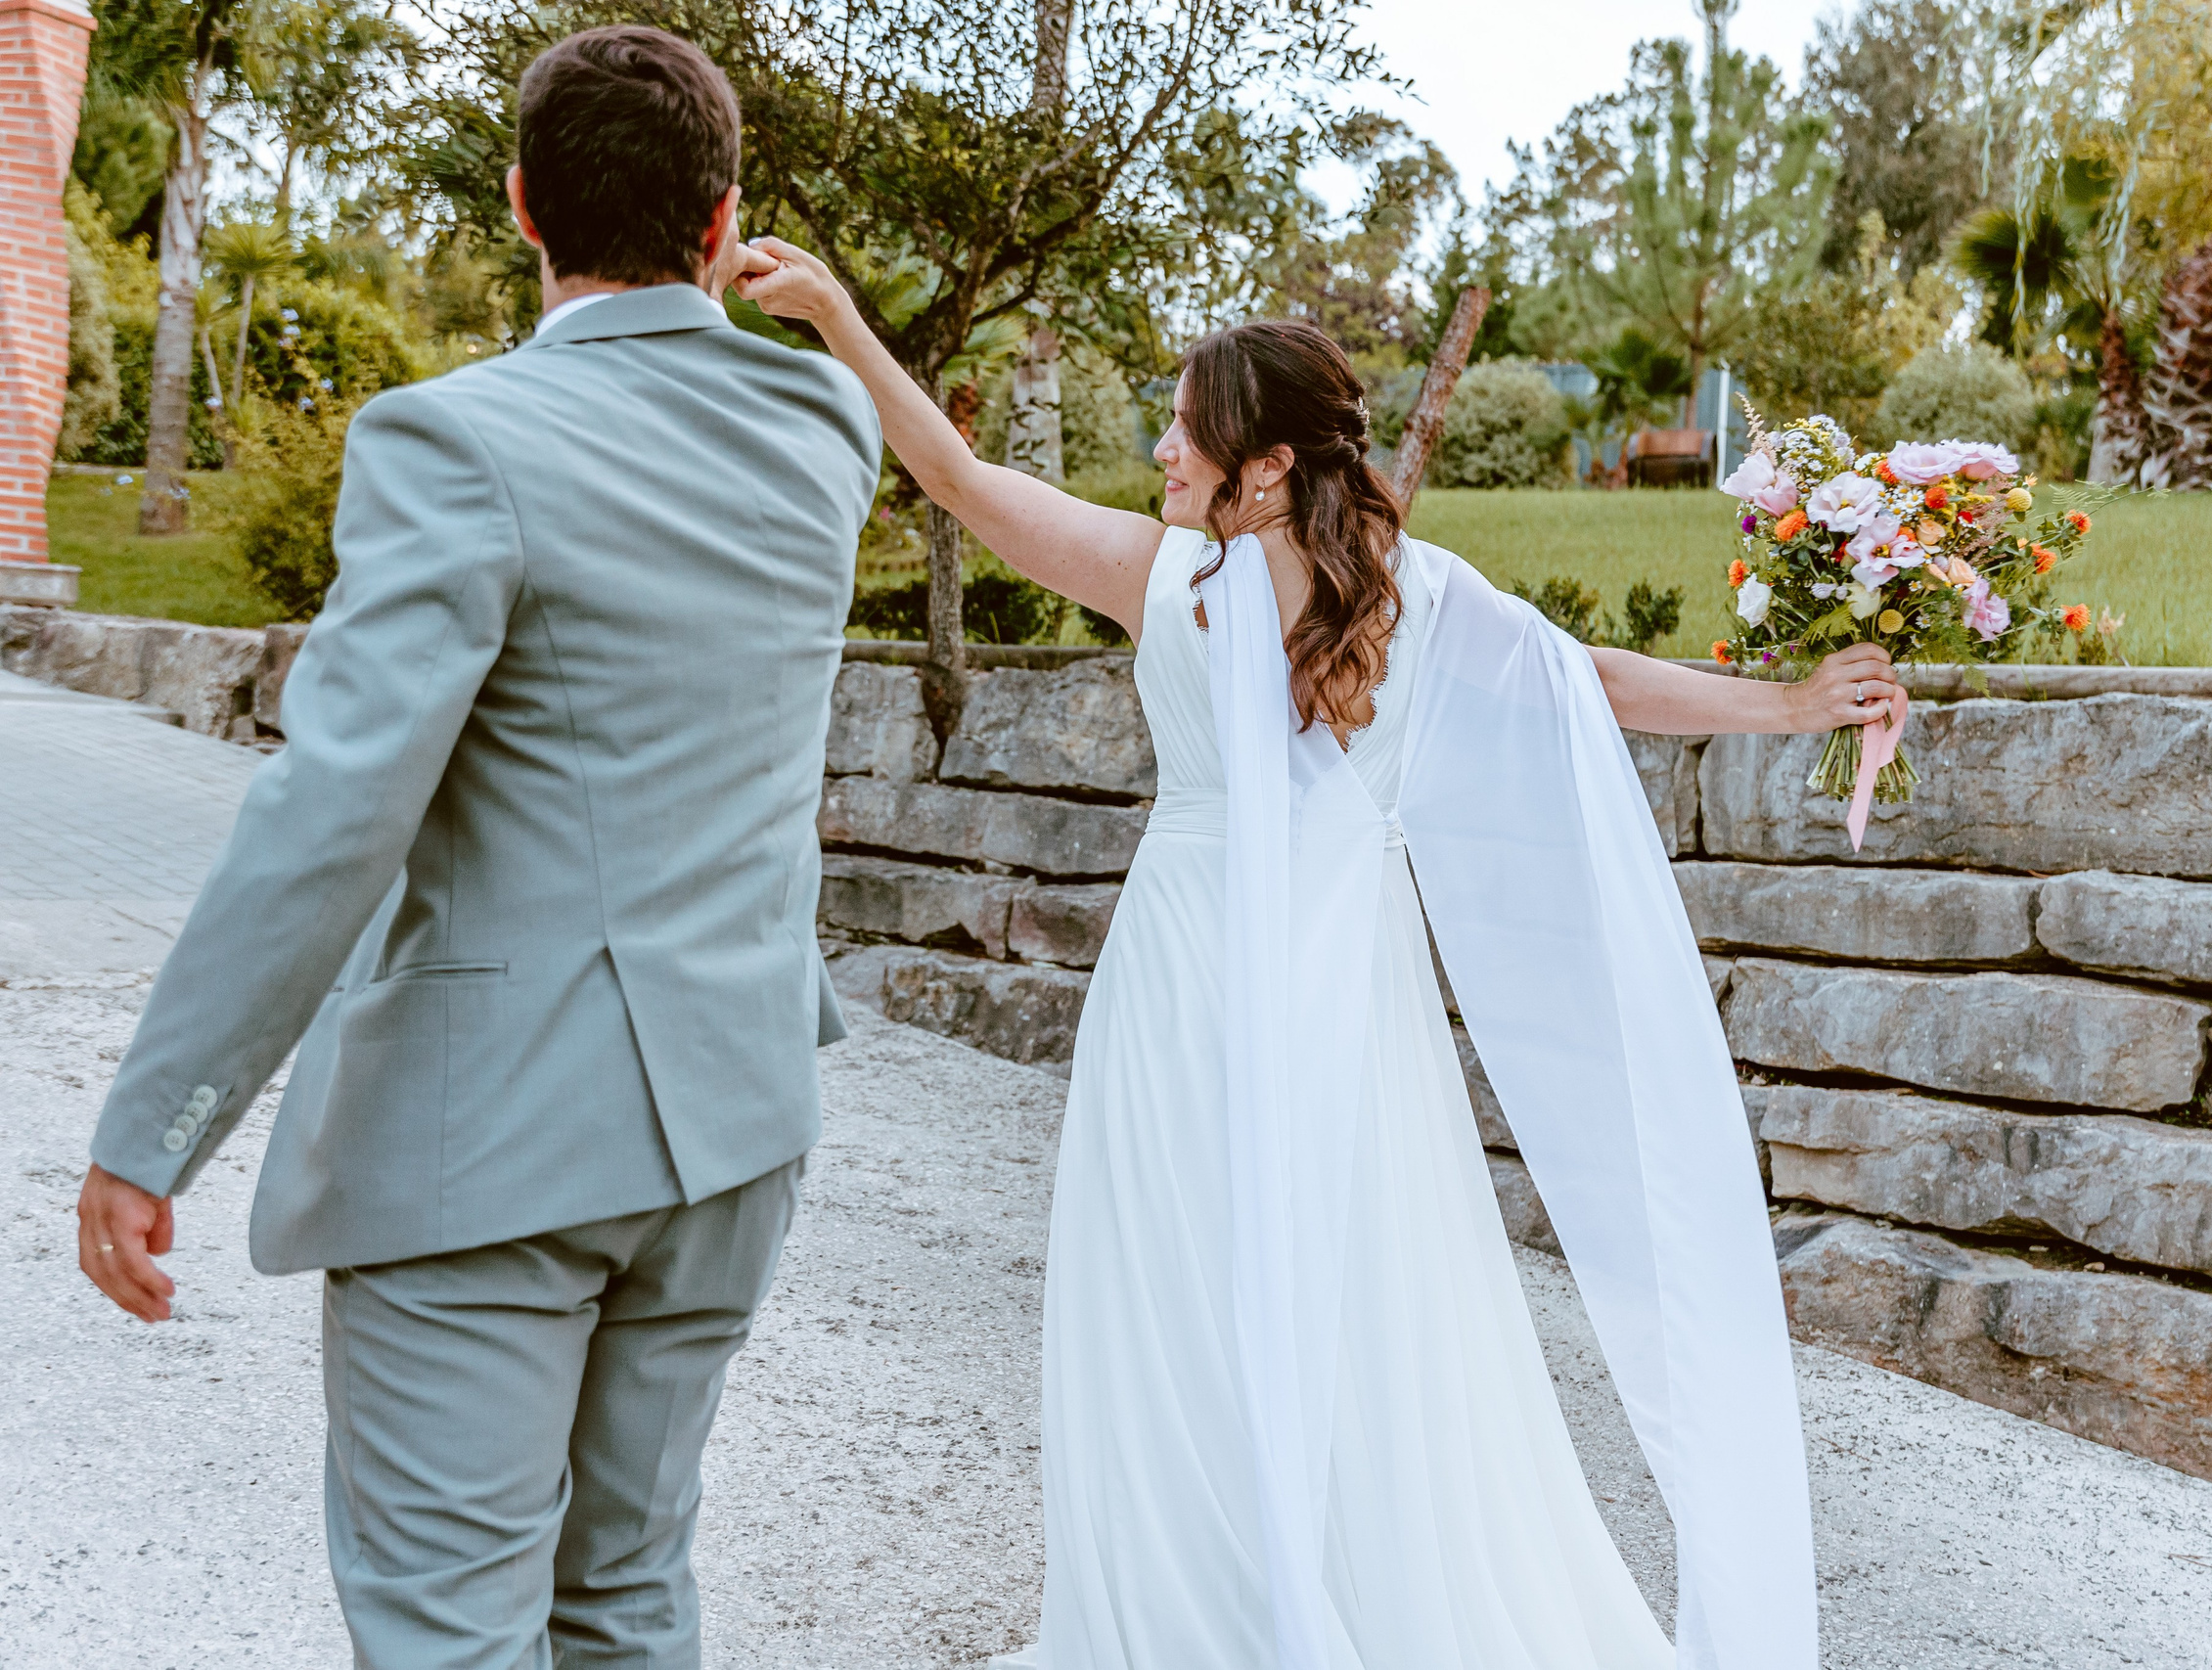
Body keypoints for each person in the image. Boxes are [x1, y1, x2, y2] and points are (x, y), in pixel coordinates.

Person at [739, 240, 1897, 1670]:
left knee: (1276, 1291)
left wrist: (1788, 708)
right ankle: (1248, 1587)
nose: (1160, 447)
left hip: (1255, 982)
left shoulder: (1245, 586)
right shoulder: (1280, 583)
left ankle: (1242, 1605)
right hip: (1260, 992)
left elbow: (1581, 685)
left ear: (1269, 467)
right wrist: (842, 319)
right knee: (1248, 1286)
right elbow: (970, 486)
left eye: (1186, 428)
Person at [73, 28, 880, 1666]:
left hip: (497, 1147)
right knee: (628, 1601)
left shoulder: (458, 442)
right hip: (734, 1133)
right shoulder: (826, 437)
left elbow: (335, 811)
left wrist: (155, 1124)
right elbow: (813, 379)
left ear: (521, 206)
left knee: (450, 1633)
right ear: (723, 223)